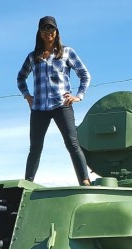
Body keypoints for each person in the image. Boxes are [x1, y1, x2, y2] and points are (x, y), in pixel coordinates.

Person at [17, 16, 92, 186]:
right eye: (44, 29)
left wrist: (78, 96)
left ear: (56, 32)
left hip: (62, 105)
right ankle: (28, 183)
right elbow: (21, 77)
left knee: (72, 143)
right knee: (35, 147)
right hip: (39, 108)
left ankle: (85, 180)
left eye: (51, 28)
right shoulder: (33, 57)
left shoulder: (66, 52)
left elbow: (85, 75)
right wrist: (27, 95)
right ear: (39, 33)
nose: (48, 32)